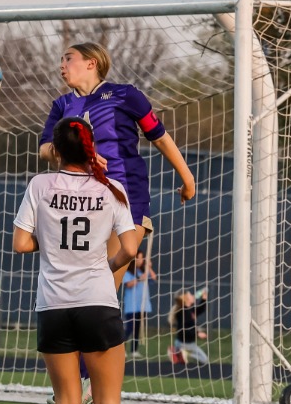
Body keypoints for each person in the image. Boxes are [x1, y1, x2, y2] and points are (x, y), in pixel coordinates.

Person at [14, 117, 137, 404]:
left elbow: (20, 243)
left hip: (53, 305)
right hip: (98, 301)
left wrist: (51, 241)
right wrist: (108, 265)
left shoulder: (40, 185)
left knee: (66, 403)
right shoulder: (112, 188)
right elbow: (130, 249)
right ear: (91, 149)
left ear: (55, 151)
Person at [38, 42, 195, 291]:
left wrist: (188, 179)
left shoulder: (125, 95)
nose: (62, 65)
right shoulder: (62, 105)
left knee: (103, 289)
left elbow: (160, 137)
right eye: (61, 60)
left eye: (68, 58)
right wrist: (80, 151)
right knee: (78, 290)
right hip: (81, 201)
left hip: (125, 195)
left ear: (92, 63)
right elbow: (45, 150)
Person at [122, 249, 157, 359]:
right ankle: (122, 349)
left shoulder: (143, 271)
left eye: (142, 258)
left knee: (138, 328)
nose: (140, 260)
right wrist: (139, 279)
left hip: (142, 305)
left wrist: (149, 267)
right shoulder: (128, 272)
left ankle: (134, 350)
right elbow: (128, 284)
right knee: (129, 328)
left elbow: (154, 278)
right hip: (131, 306)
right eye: (138, 258)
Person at [167, 288, 208, 365]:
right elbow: (185, 329)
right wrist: (198, 333)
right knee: (204, 360)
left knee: (203, 360)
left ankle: (179, 352)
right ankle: (182, 353)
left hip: (187, 343)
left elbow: (198, 310)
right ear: (186, 299)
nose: (193, 295)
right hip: (185, 343)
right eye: (190, 295)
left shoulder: (188, 308)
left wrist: (204, 299)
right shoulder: (183, 312)